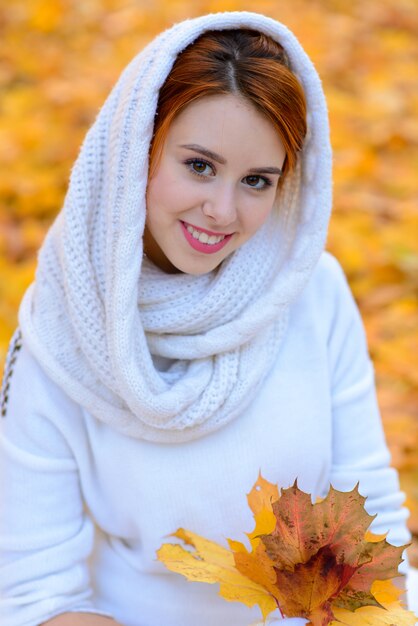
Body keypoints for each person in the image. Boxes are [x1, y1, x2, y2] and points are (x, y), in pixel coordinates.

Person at [0, 10, 412, 626]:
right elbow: (34, 593)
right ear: (135, 150)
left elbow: (368, 516)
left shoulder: (310, 290)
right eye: (198, 165)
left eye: (256, 180)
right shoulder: (59, 332)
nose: (223, 210)